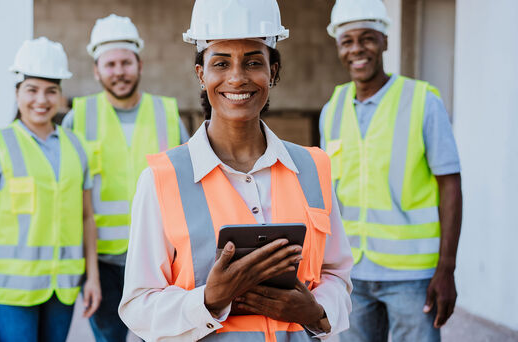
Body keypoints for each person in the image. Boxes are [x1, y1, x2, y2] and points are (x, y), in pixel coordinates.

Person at [119, 0, 353, 340]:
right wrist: (208, 300)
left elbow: (337, 274)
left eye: (253, 62)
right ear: (202, 74)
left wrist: (315, 312)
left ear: (273, 71)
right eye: (221, 63)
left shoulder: (313, 168)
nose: (237, 77)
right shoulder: (162, 178)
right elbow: (138, 306)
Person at [319, 0, 463, 341]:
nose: (357, 49)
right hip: (352, 273)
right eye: (347, 40)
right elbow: (328, 196)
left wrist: (447, 268)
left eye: (367, 38)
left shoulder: (423, 101)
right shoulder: (332, 109)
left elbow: (451, 186)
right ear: (339, 47)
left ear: (385, 40)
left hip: (412, 276)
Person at [61, 13, 190, 341]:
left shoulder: (168, 114)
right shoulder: (78, 118)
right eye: (110, 64)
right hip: (101, 261)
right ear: (96, 70)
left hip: (159, 257)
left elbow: (189, 185)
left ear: (140, 64)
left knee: (161, 337)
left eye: (125, 62)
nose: (119, 71)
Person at [0, 37, 101, 342]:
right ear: (17, 93)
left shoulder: (75, 146)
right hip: (9, 294)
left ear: (61, 96)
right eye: (32, 89)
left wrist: (92, 279)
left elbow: (86, 218)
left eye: (51, 90)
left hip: (62, 288)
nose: (41, 99)